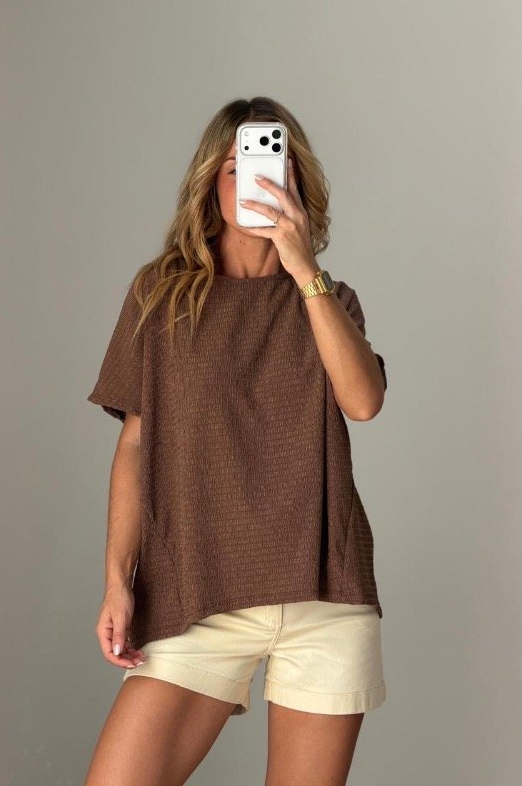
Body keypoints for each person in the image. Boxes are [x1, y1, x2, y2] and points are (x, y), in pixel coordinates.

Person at [84, 96, 388, 786]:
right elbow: (135, 446)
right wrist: (117, 582)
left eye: (273, 166)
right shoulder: (161, 296)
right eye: (235, 166)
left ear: (296, 183)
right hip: (198, 592)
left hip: (323, 598)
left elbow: (363, 402)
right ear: (210, 185)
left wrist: (303, 267)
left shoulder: (330, 300)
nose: (254, 180)